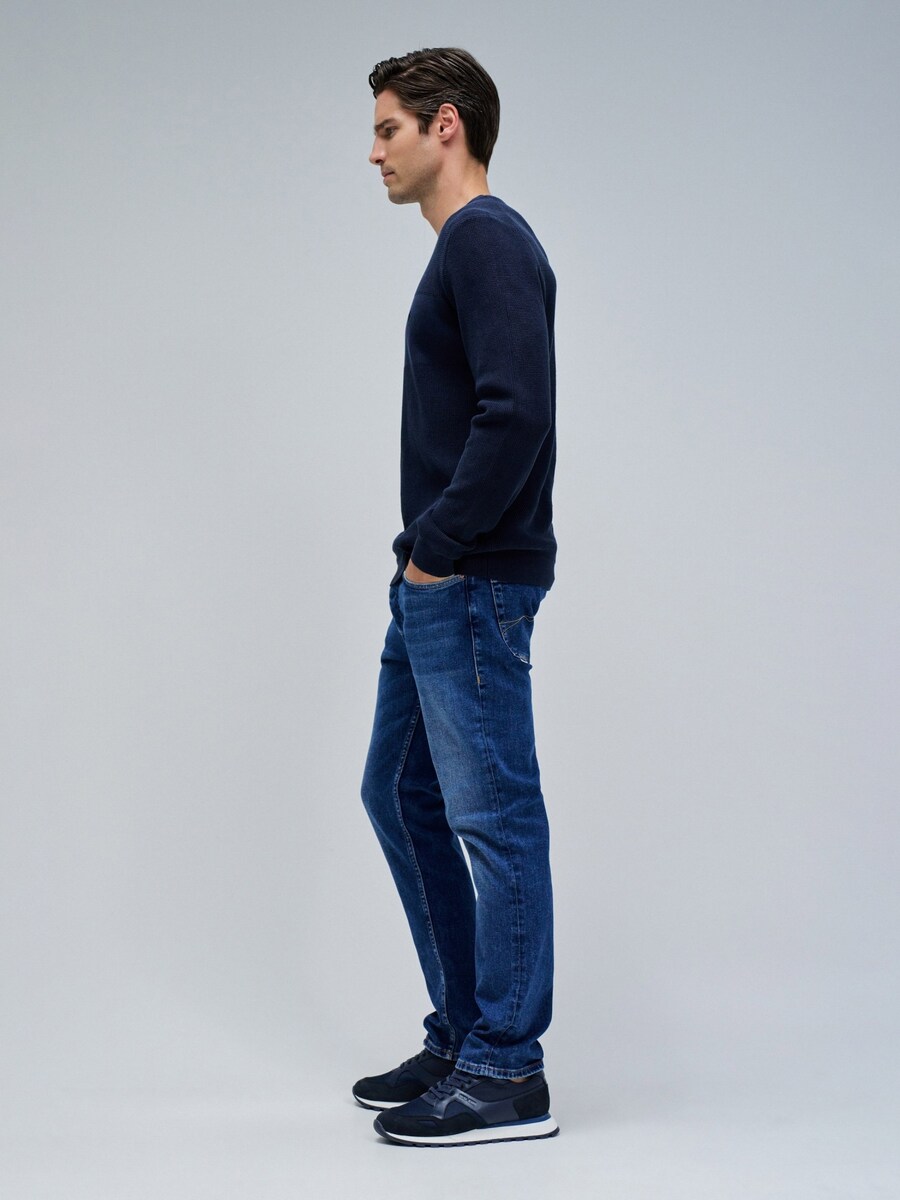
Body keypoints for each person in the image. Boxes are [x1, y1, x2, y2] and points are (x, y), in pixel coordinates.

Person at [354, 47, 559, 1147]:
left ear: (447, 126)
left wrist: (436, 549)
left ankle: (507, 1072)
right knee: (398, 792)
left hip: (470, 576)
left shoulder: (486, 239)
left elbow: (515, 410)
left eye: (388, 127)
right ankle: (467, 1030)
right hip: (438, 578)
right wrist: (421, 565)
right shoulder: (463, 248)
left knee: (493, 814)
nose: (373, 151)